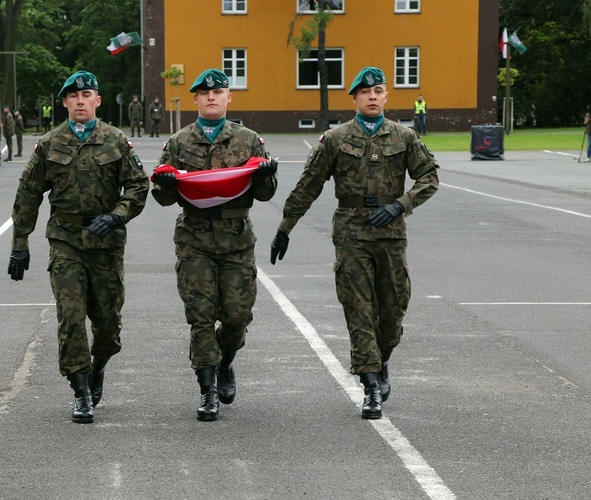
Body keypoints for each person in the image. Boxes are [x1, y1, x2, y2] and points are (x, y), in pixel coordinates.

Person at [269, 67, 438, 419]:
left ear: (386, 96)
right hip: (351, 230)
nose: (372, 96)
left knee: (393, 307)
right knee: (358, 307)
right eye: (365, 92)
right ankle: (371, 385)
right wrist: (285, 228)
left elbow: (429, 176)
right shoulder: (335, 139)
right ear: (355, 98)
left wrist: (401, 205)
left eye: (378, 90)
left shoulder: (404, 137)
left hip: (391, 230)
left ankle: (382, 357)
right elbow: (308, 185)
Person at [7, 70, 149, 424]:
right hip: (66, 240)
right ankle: (81, 390)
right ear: (66, 102)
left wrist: (116, 216)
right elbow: (28, 193)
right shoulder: (50, 143)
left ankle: (98, 365)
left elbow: (138, 187)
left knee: (107, 323)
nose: (81, 101)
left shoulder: (116, 140)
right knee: (70, 317)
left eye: (87, 95)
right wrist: (20, 243)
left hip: (106, 243)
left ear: (97, 101)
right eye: (74, 96)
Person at [151, 68, 278, 421]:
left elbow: (264, 194)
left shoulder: (249, 140)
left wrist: (268, 177)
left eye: (218, 92)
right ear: (195, 99)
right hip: (195, 239)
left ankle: (225, 362)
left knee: (237, 316)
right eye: (204, 93)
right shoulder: (178, 143)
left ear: (228, 97)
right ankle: (207, 389)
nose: (211, 97)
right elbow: (162, 198)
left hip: (236, 239)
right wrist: (163, 183)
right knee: (201, 316)